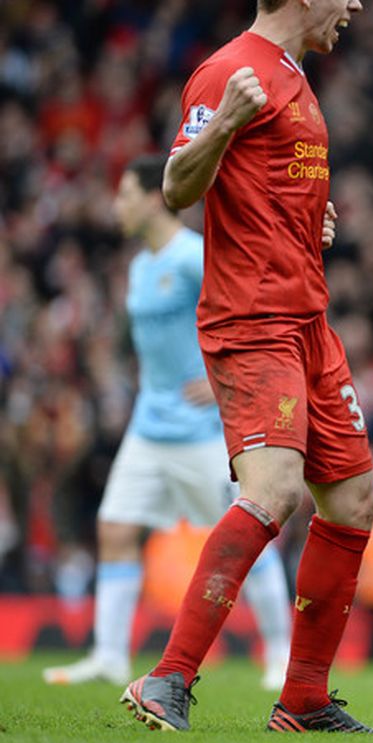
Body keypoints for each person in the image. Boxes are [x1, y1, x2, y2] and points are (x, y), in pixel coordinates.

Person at [119, 0, 373, 734]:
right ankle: (168, 677)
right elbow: (177, 188)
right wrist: (225, 122)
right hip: (254, 318)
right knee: (274, 490)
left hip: (307, 320)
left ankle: (303, 699)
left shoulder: (295, 75)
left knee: (355, 501)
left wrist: (311, 221)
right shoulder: (228, 72)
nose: (354, 5)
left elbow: (263, 187)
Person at [41, 154, 292, 692]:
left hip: (201, 431)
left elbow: (249, 312)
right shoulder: (140, 267)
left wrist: (223, 381)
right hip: (148, 426)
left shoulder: (194, 258)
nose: (117, 206)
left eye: (125, 195)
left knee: (246, 537)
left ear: (154, 199)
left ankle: (281, 653)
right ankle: (109, 656)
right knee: (115, 528)